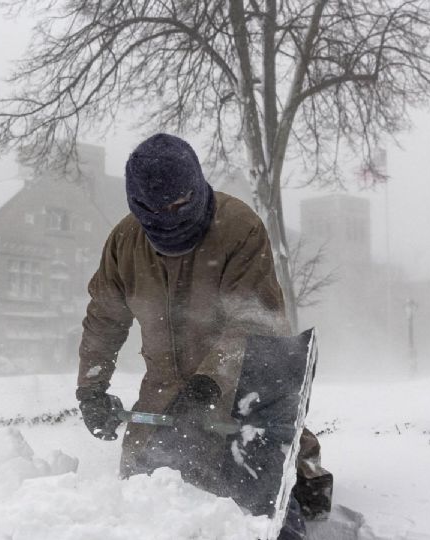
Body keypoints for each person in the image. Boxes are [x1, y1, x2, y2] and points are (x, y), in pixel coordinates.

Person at [75, 134, 329, 534]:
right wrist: (91, 388)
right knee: (146, 485)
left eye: (179, 204)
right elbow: (104, 317)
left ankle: (303, 468)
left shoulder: (238, 228)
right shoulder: (125, 242)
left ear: (195, 186)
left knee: (251, 474)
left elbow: (255, 322)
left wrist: (209, 386)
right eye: (156, 210)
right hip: (163, 389)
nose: (171, 217)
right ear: (137, 205)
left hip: (239, 380)